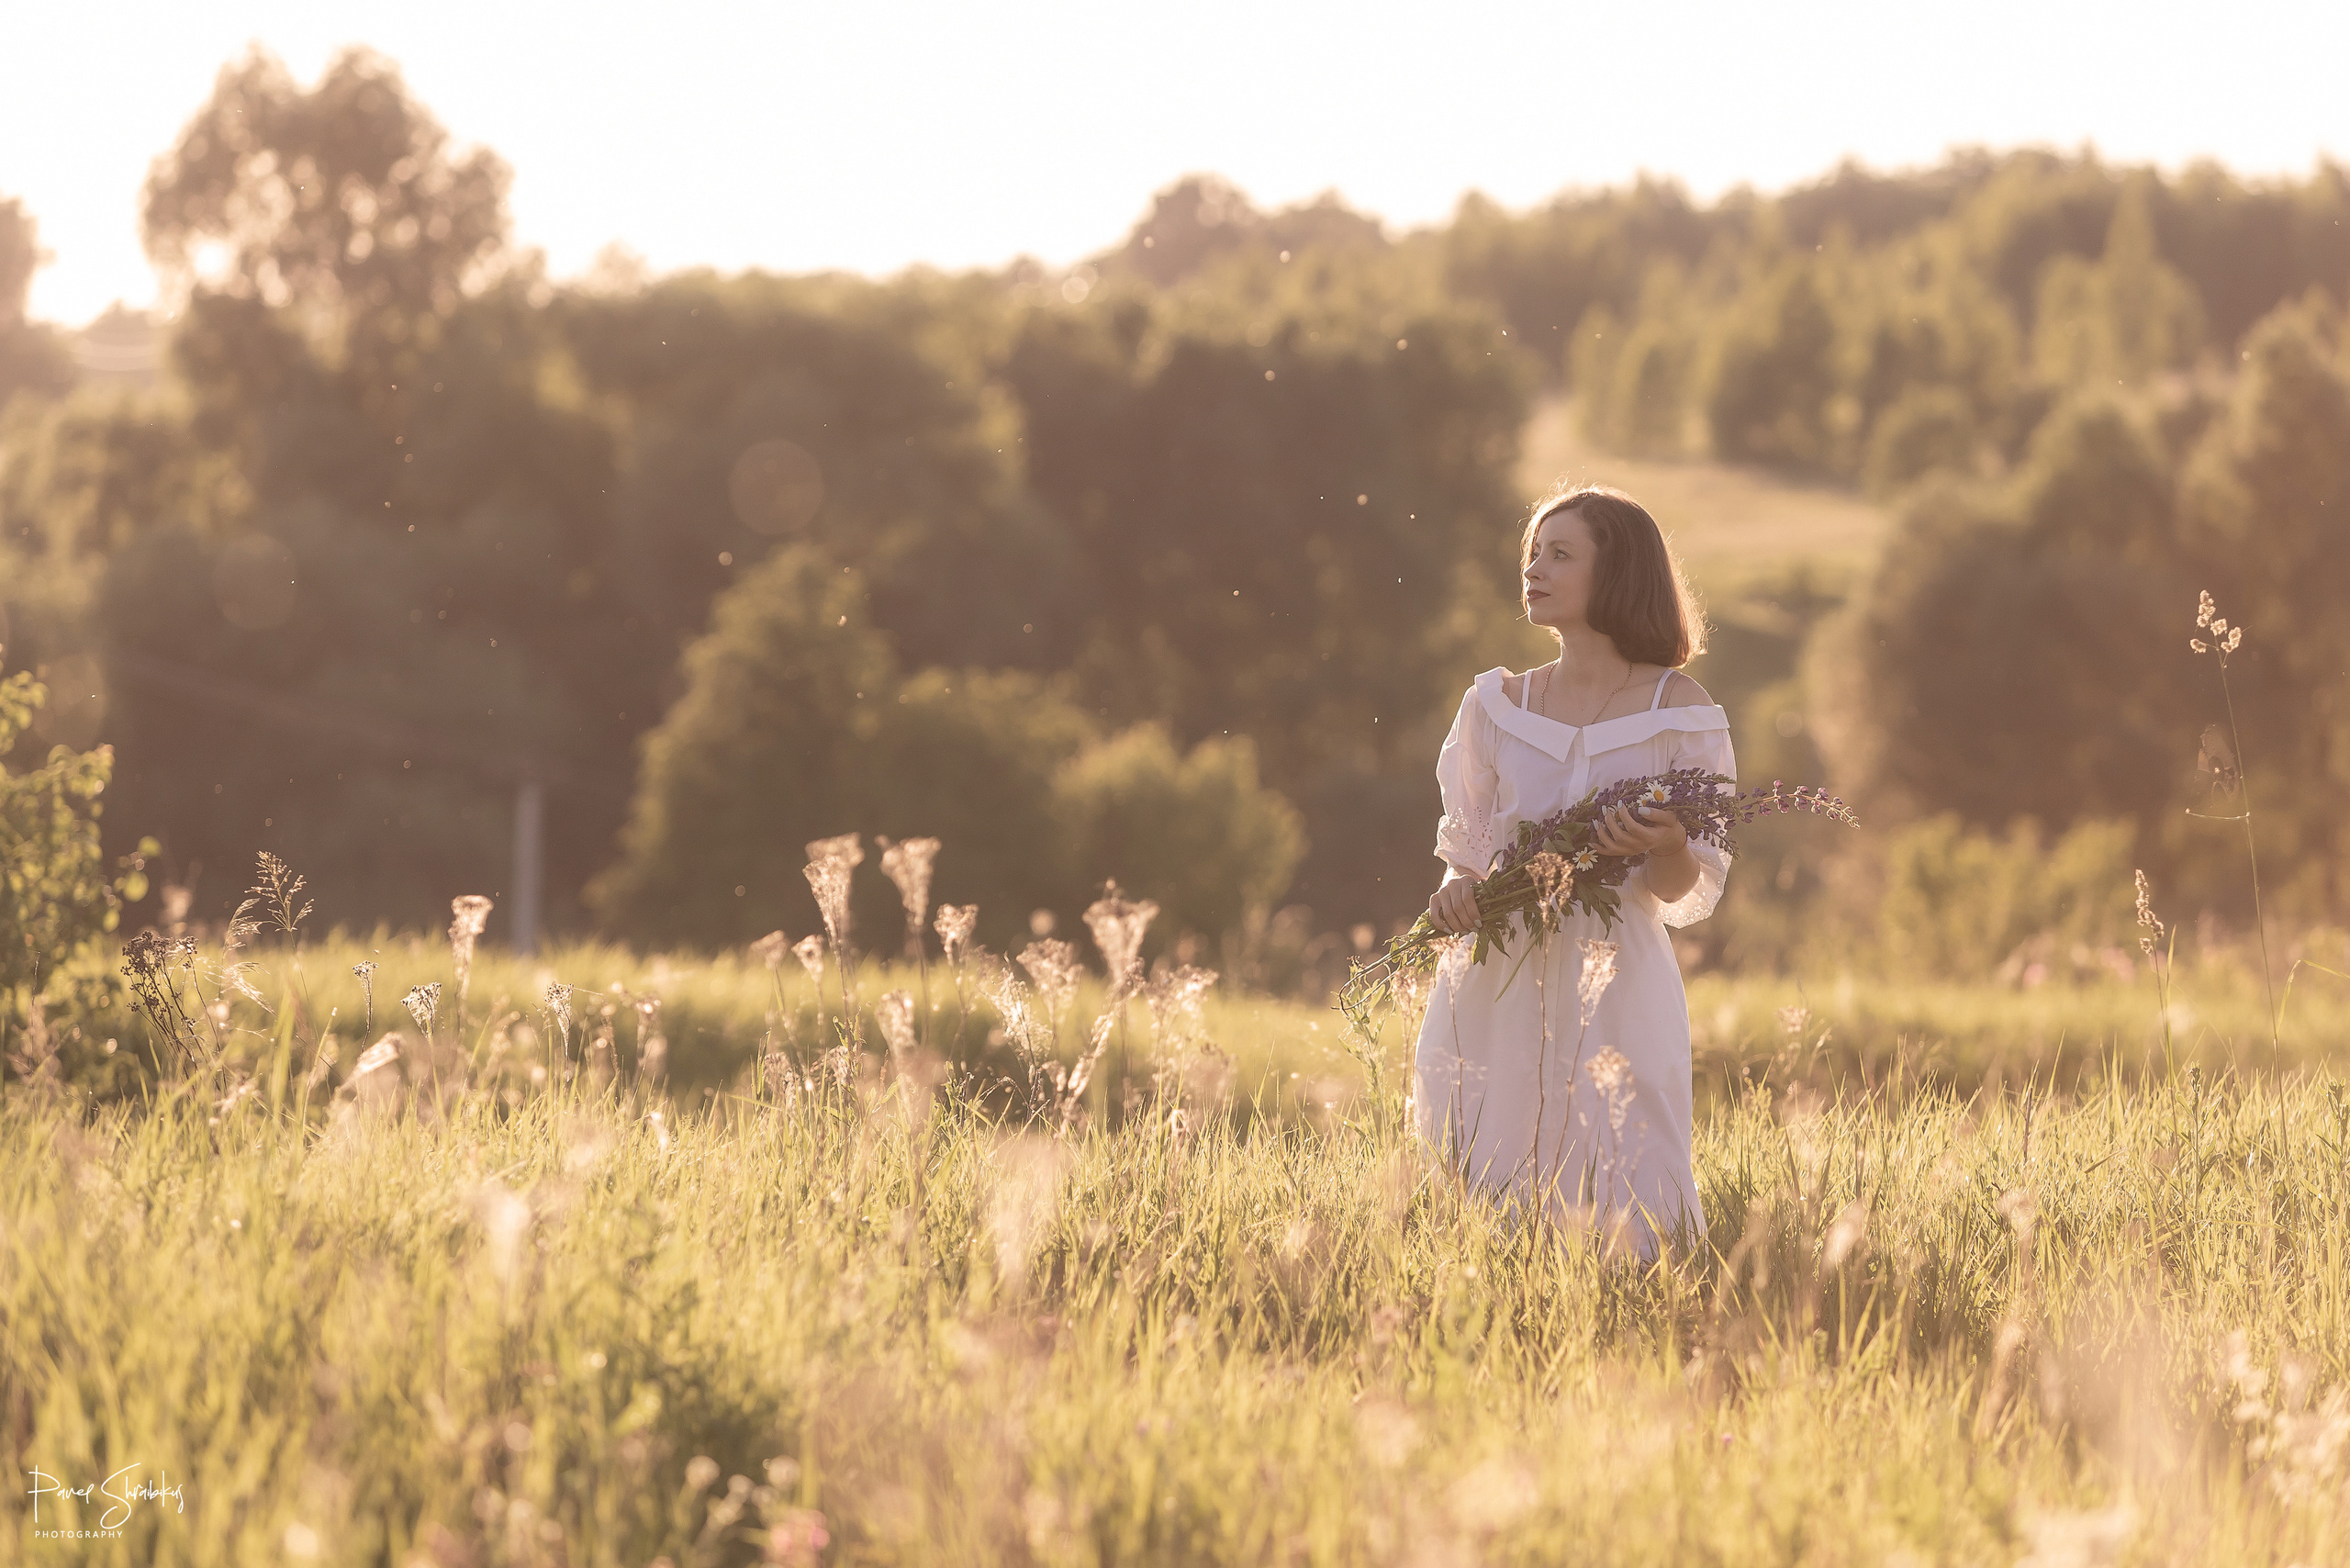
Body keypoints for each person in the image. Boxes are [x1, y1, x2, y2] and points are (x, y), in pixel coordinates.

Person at [1413, 484, 1730, 1258]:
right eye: (1532, 552)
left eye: (1561, 555)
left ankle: (1638, 1309)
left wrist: (1665, 847)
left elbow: (1683, 890)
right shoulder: (1494, 705)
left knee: (1626, 1141)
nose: (1535, 568)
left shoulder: (1680, 712)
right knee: (1490, 1140)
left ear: (1615, 573)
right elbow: (1469, 858)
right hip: (1500, 969)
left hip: (1617, 973)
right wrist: (1459, 895)